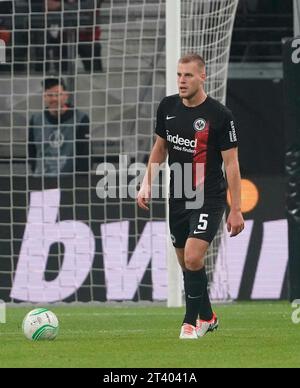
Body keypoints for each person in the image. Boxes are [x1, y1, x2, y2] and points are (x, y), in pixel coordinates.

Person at [137, 54, 244, 339]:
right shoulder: (168, 107)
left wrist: (236, 209)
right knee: (187, 263)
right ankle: (208, 316)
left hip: (208, 196)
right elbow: (160, 148)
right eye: (179, 75)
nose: (182, 81)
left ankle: (189, 322)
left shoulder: (220, 115)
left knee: (195, 258)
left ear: (202, 77)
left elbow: (231, 164)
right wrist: (147, 182)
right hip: (179, 195)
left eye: (188, 76)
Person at [28, 77, 90, 176]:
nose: (53, 98)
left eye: (57, 94)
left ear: (66, 96)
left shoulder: (80, 119)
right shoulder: (36, 120)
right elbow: (31, 152)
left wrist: (79, 181)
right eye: (49, 95)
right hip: (42, 180)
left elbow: (84, 154)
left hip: (70, 181)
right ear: (44, 97)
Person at [45, 0, 103, 73]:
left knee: (96, 76)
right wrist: (74, 10)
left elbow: (89, 6)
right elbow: (49, 6)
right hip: (62, 39)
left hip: (89, 38)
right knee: (62, 74)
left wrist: (61, 6)